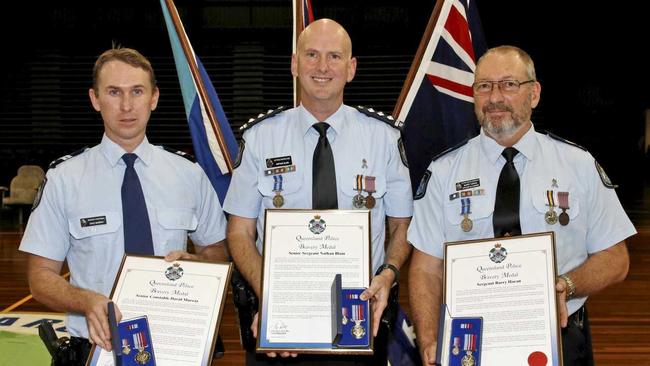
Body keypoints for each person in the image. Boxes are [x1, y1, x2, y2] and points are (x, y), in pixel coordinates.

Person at [407, 45, 636, 365]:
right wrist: (430, 340)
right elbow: (425, 267)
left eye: (509, 84)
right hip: (469, 337)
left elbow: (616, 258)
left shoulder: (577, 165)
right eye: (484, 86)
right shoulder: (444, 172)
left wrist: (566, 285)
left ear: (535, 94)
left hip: (560, 334)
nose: (495, 97)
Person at [19, 47, 228, 362]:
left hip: (175, 340)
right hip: (95, 345)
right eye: (114, 92)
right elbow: (40, 277)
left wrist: (196, 265)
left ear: (153, 98)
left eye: (137, 91)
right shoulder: (65, 178)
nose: (127, 106)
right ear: (95, 99)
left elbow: (217, 253)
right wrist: (87, 301)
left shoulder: (189, 174)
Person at [223, 18, 413, 364]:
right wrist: (272, 296)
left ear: (351, 68)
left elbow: (402, 227)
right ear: (294, 64)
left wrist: (388, 275)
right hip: (279, 327)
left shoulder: (384, 138)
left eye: (334, 57)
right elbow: (239, 232)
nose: (322, 67)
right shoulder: (260, 138)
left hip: (361, 319)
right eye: (311, 55)